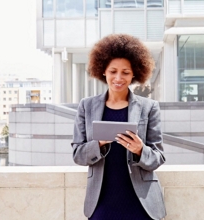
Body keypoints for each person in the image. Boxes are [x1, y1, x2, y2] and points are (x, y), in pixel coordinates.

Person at [71, 34, 166, 220]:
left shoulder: (149, 107)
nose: (118, 78)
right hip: (101, 201)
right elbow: (78, 155)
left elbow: (158, 158)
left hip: (141, 202)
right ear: (103, 71)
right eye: (113, 71)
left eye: (125, 72)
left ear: (134, 74)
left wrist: (140, 149)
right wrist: (98, 145)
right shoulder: (86, 106)